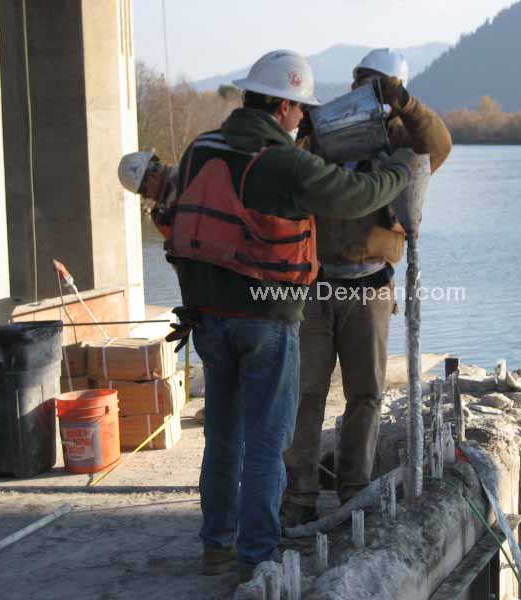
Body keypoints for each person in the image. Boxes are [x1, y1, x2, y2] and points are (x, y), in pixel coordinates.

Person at [166, 49, 419, 580]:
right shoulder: (282, 161)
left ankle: (217, 545)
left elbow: (176, 224)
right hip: (266, 320)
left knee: (223, 437)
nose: (303, 118)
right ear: (282, 106)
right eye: (300, 108)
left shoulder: (197, 150)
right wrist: (399, 170)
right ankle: (258, 555)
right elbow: (355, 195)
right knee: (265, 441)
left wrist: (192, 306)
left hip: (207, 320)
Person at [282, 48, 453, 525]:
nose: (369, 91)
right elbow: (288, 167)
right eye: (364, 82)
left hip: (370, 286)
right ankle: (299, 493)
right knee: (307, 392)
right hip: (316, 287)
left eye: (379, 84)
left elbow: (439, 144)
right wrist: (307, 129)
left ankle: (354, 488)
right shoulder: (328, 132)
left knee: (365, 394)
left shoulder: (401, 139)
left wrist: (404, 103)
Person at [117, 151, 178, 239]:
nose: (146, 197)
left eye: (144, 190)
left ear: (153, 175)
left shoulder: (176, 199)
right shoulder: (166, 210)